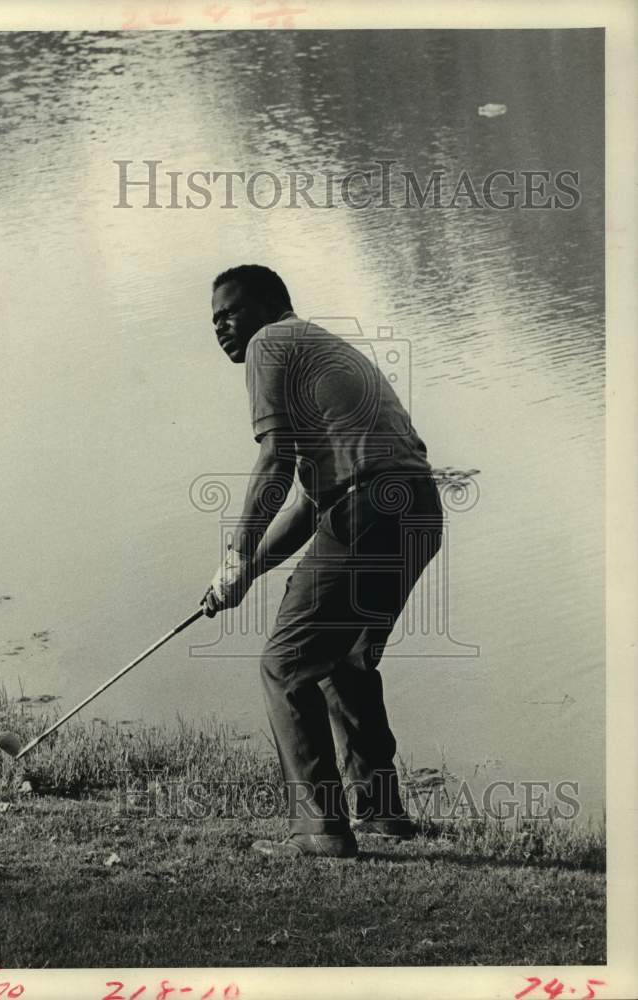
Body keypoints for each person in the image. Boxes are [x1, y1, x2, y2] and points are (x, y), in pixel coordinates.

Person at [202, 264, 444, 859]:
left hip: (369, 510)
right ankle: (381, 813)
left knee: (286, 665)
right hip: (415, 509)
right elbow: (311, 499)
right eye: (213, 320)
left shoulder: (270, 342)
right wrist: (249, 568)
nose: (221, 327)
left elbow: (276, 460)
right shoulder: (311, 346)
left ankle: (319, 832)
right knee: (344, 660)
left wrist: (233, 555)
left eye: (229, 311)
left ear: (267, 304)